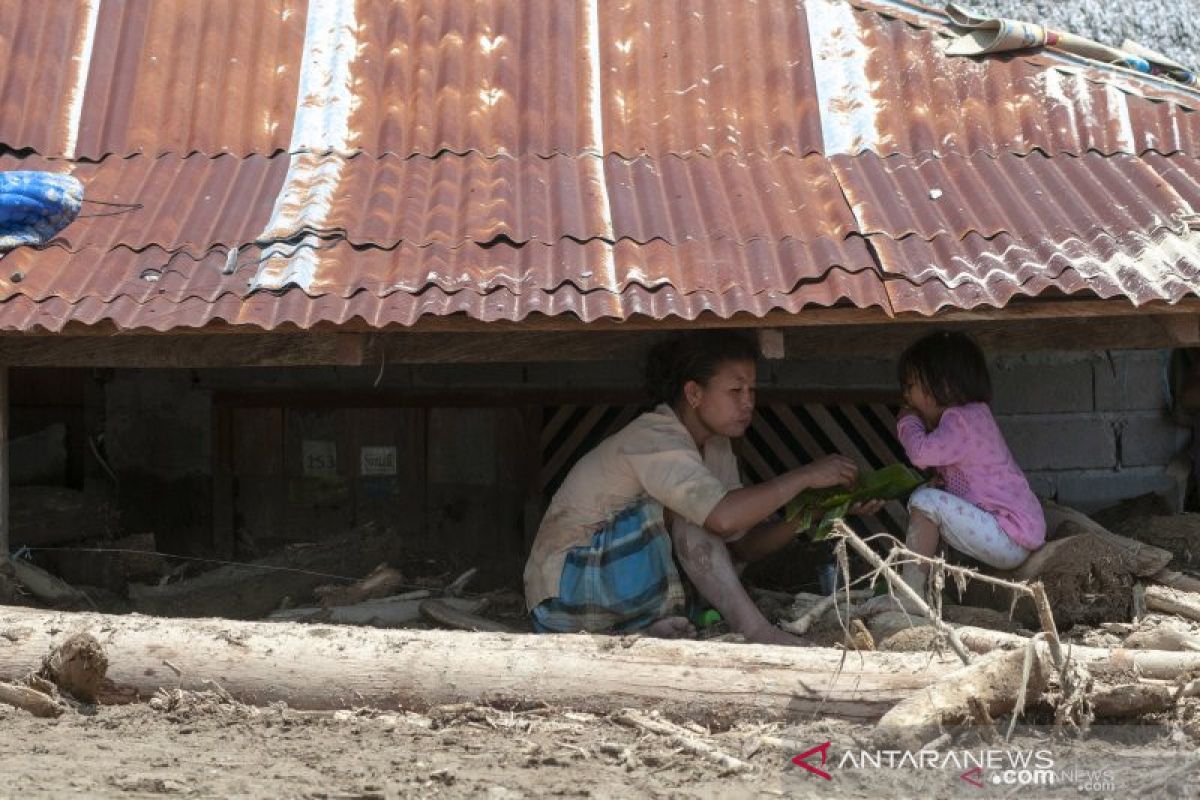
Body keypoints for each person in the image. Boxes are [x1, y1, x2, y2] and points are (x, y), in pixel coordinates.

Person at [522, 331, 864, 645]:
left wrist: (811, 510)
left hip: (609, 595)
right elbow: (723, 518)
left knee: (706, 513)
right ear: (693, 393)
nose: (748, 403)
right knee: (697, 513)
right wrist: (804, 476)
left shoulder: (716, 448)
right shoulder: (656, 436)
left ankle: (638, 630)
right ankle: (756, 630)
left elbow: (742, 545)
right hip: (563, 597)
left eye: (752, 390)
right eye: (735, 390)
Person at [888, 331, 1045, 604]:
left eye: (911, 385)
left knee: (924, 501)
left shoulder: (960, 420)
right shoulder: (973, 416)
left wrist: (907, 421)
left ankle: (908, 599)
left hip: (1007, 536)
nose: (906, 396)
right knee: (931, 495)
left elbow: (920, 453)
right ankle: (933, 592)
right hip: (1013, 534)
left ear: (944, 386)